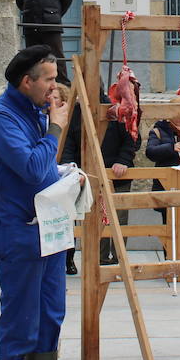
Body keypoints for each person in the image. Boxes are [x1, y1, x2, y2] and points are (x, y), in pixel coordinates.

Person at [0, 46, 85, 360]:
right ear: (27, 81)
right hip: (20, 231)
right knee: (20, 319)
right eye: (49, 79)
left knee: (51, 314)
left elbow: (44, 172)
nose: (54, 87)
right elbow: (34, 168)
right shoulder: (0, 117)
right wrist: (55, 128)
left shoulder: (34, 111)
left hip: (49, 228)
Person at [62, 92, 139, 264]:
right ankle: (100, 260)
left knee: (118, 220)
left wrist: (123, 160)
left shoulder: (116, 110)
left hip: (117, 175)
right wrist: (70, 166)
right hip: (89, 178)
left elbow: (132, 139)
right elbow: (68, 142)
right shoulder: (75, 113)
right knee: (95, 219)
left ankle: (119, 260)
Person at [17, 0, 73, 84]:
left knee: (56, 56)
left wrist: (55, 15)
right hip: (31, 25)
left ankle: (62, 85)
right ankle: (36, 83)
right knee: (33, 57)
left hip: (50, 25)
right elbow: (20, 1)